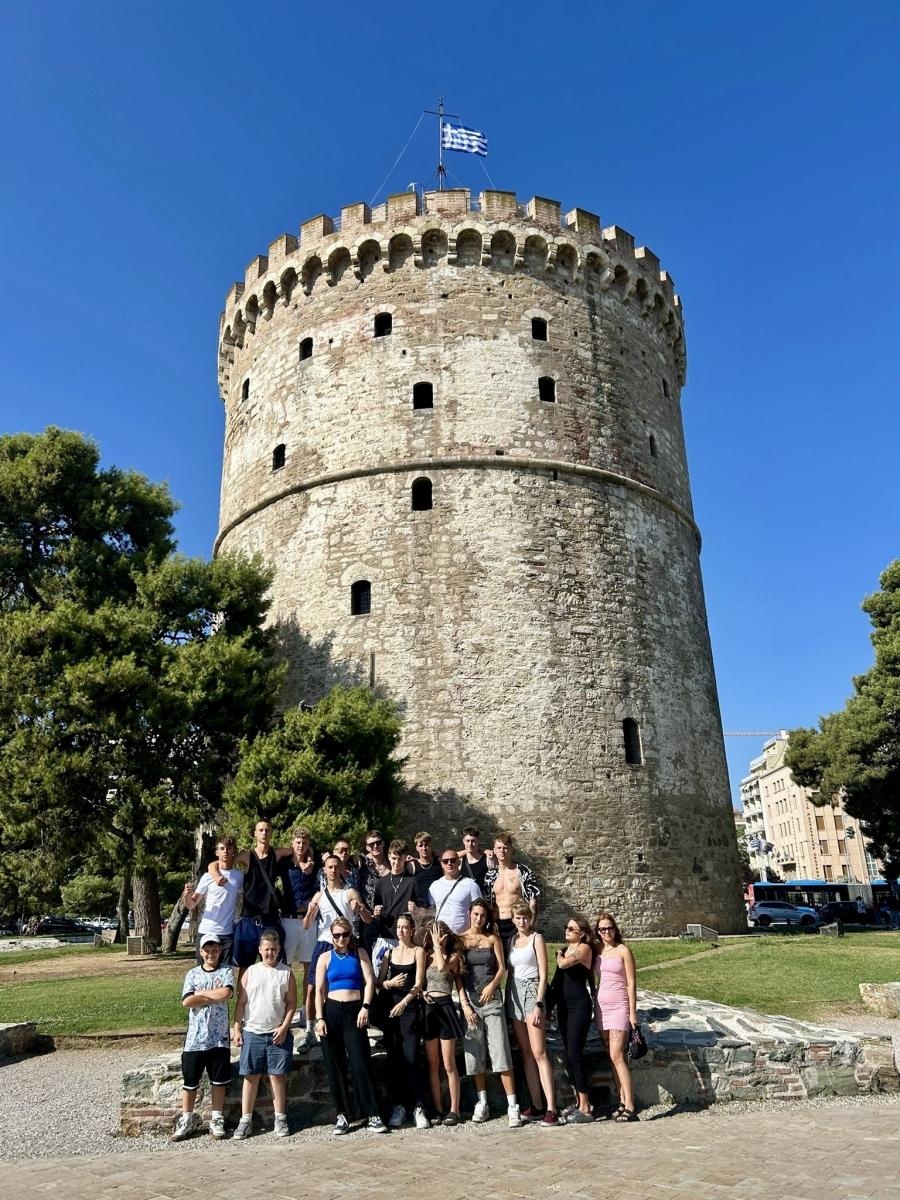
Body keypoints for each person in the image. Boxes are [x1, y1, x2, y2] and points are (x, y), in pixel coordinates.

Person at [314, 917, 387, 1135]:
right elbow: (319, 990)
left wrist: (366, 1006)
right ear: (331, 936)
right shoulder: (325, 957)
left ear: (350, 934)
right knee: (335, 1065)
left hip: (355, 1011)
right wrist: (319, 1018)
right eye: (336, 935)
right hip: (332, 1011)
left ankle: (372, 1112)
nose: (341, 939)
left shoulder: (360, 953)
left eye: (344, 934)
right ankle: (342, 1114)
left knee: (360, 1062)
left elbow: (369, 980)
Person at [459, 899, 521, 1126]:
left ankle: (512, 1104)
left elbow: (502, 967)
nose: (479, 919)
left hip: (491, 999)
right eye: (476, 914)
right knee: (474, 1054)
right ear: (469, 914)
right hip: (471, 1003)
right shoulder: (462, 940)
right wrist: (464, 1003)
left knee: (500, 1051)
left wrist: (492, 986)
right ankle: (482, 1101)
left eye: (483, 915)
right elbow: (458, 975)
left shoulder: (492, 939)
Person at [232, 927, 296, 1139]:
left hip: (277, 1033)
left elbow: (291, 1004)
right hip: (253, 1031)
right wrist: (237, 1027)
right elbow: (241, 1003)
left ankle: (280, 1117)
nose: (270, 953)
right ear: (260, 949)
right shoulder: (250, 972)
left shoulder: (286, 973)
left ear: (279, 950)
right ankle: (245, 1120)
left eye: (274, 949)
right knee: (250, 1077)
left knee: (277, 1076)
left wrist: (285, 1026)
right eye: (267, 949)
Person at [303, 854, 371, 1049]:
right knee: (313, 987)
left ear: (341, 868)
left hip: (345, 941)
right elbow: (307, 925)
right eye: (329, 867)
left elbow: (367, 919)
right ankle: (312, 1028)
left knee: (351, 982)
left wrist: (360, 908)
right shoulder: (319, 895)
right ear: (324, 870)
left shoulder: (349, 893)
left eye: (336, 867)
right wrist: (309, 912)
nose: (332, 871)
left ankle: (350, 1023)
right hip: (325, 942)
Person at [171, 933, 235, 1141]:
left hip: (219, 1038)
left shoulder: (226, 971)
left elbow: (226, 994)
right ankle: (187, 1118)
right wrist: (212, 994)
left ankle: (216, 1118)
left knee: (219, 1081)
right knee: (190, 1082)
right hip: (195, 1039)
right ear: (201, 952)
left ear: (219, 950)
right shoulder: (192, 974)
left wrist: (202, 995)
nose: (211, 953)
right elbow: (187, 1001)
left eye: (214, 949)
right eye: (207, 950)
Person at [506, 900, 560, 1127]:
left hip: (532, 991)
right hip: (514, 993)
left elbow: (543, 972)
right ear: (513, 919)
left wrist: (539, 1003)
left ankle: (551, 1107)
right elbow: (511, 971)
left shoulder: (537, 938)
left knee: (540, 1052)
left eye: (525, 917)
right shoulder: (512, 940)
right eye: (518, 918)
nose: (522, 921)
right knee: (526, 1053)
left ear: (531, 918)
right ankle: (537, 1104)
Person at [210, 819, 287, 976]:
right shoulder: (247, 856)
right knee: (245, 967)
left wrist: (310, 858)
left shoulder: (277, 854)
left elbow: (296, 850)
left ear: (271, 833)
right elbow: (218, 862)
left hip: (270, 917)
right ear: (255, 834)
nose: (264, 833)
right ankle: (243, 1001)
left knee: (274, 964)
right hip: (249, 918)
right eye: (261, 830)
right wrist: (216, 875)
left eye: (267, 830)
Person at [377, 913, 430, 1129]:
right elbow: (379, 981)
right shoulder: (390, 953)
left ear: (411, 929)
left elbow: (418, 984)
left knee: (411, 1057)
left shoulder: (418, 952)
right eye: (398, 927)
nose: (401, 931)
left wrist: (405, 1003)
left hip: (409, 1009)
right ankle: (398, 1105)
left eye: (405, 927)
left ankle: (418, 1106)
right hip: (391, 1009)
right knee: (395, 1058)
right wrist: (390, 983)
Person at [422, 920, 470, 1125]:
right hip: (429, 1007)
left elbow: (442, 968)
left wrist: (437, 946)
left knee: (449, 1063)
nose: (438, 938)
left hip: (445, 1005)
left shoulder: (454, 957)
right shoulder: (425, 957)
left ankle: (454, 1110)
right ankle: (437, 1109)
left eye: (441, 934)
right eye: (434, 934)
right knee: (433, 1064)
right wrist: (423, 992)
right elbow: (419, 982)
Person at [593, 911, 639, 1121]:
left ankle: (630, 1104)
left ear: (615, 928)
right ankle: (621, 1100)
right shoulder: (598, 951)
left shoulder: (623, 951)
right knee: (611, 1057)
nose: (606, 932)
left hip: (619, 1006)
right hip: (602, 1007)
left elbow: (631, 983)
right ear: (598, 931)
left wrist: (632, 1012)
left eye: (609, 928)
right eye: (602, 929)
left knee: (617, 1055)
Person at [552, 915, 596, 1122]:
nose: (567, 930)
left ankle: (586, 1107)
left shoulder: (584, 949)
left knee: (576, 1054)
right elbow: (557, 980)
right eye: (567, 927)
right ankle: (579, 1101)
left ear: (582, 934)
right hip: (564, 1007)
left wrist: (559, 957)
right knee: (569, 1054)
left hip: (579, 1006)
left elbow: (563, 965)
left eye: (572, 928)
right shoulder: (565, 949)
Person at [278, 826, 319, 1031]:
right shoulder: (284, 864)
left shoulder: (315, 863)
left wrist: (311, 861)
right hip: (288, 919)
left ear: (308, 844)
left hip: (309, 921)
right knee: (284, 968)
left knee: (309, 968)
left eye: (304, 842)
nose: (301, 846)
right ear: (292, 843)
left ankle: (307, 1011)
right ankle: (285, 1010)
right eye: (297, 842)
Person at [183, 836, 242, 966]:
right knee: (203, 973)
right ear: (217, 852)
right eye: (222, 848)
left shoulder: (239, 877)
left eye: (228, 848)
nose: (225, 851)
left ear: (233, 851)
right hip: (207, 930)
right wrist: (186, 895)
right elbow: (192, 904)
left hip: (227, 933)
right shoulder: (208, 876)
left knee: (225, 973)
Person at [371, 839, 418, 973]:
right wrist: (376, 912)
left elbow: (423, 908)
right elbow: (375, 911)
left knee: (403, 978)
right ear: (388, 856)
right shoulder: (380, 883)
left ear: (405, 860)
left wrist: (416, 910)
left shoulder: (412, 882)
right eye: (394, 858)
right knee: (379, 977)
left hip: (405, 938)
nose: (396, 862)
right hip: (385, 937)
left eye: (400, 859)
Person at [484, 832, 540, 940]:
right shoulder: (490, 875)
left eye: (505, 848)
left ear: (511, 850)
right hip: (497, 923)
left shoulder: (523, 871)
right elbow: (487, 902)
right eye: (499, 847)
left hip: (517, 922)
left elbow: (532, 900)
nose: (502, 851)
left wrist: (531, 922)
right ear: (494, 850)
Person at [426, 848, 482, 934]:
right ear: (442, 864)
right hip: (440, 937)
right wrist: (416, 909)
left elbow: (479, 910)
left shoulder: (470, 884)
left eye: (452, 860)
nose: (449, 863)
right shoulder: (434, 886)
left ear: (459, 862)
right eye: (445, 861)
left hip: (463, 937)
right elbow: (430, 910)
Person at [357, 829, 391, 955]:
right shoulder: (362, 863)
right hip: (368, 918)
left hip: (390, 917)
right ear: (367, 847)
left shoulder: (393, 862)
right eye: (371, 844)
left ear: (383, 844)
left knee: (389, 954)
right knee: (367, 954)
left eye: (378, 843)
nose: (375, 846)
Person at [411, 832, 442, 924]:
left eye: (426, 845)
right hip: (420, 911)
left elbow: (454, 855)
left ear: (430, 846)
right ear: (417, 848)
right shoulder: (412, 865)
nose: (424, 848)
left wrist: (483, 851)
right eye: (421, 845)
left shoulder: (439, 862)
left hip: (437, 909)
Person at [459, 826, 490, 892]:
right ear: (463, 841)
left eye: (473, 841)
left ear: (478, 841)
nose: (470, 844)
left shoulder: (487, 860)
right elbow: (449, 856)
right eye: (467, 841)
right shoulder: (459, 861)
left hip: (482, 899)